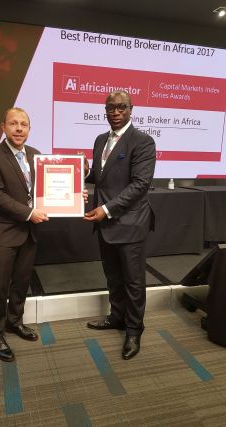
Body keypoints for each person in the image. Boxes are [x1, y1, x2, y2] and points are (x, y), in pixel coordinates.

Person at [84, 91, 156, 360]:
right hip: (105, 224)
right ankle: (117, 317)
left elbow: (140, 185)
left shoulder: (143, 141)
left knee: (133, 282)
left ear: (130, 109)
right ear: (105, 110)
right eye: (110, 107)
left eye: (121, 107)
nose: (115, 112)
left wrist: (105, 209)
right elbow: (99, 177)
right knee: (113, 276)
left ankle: (134, 330)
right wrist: (78, 173)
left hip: (129, 224)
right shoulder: (100, 139)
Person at [0, 107, 49, 362]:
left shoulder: (36, 155)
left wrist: (74, 195)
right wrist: (29, 213)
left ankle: (14, 322)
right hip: (4, 233)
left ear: (29, 129)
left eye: (24, 124)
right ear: (3, 127)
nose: (19, 128)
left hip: (29, 233)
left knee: (21, 283)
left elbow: (44, 191)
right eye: (14, 124)